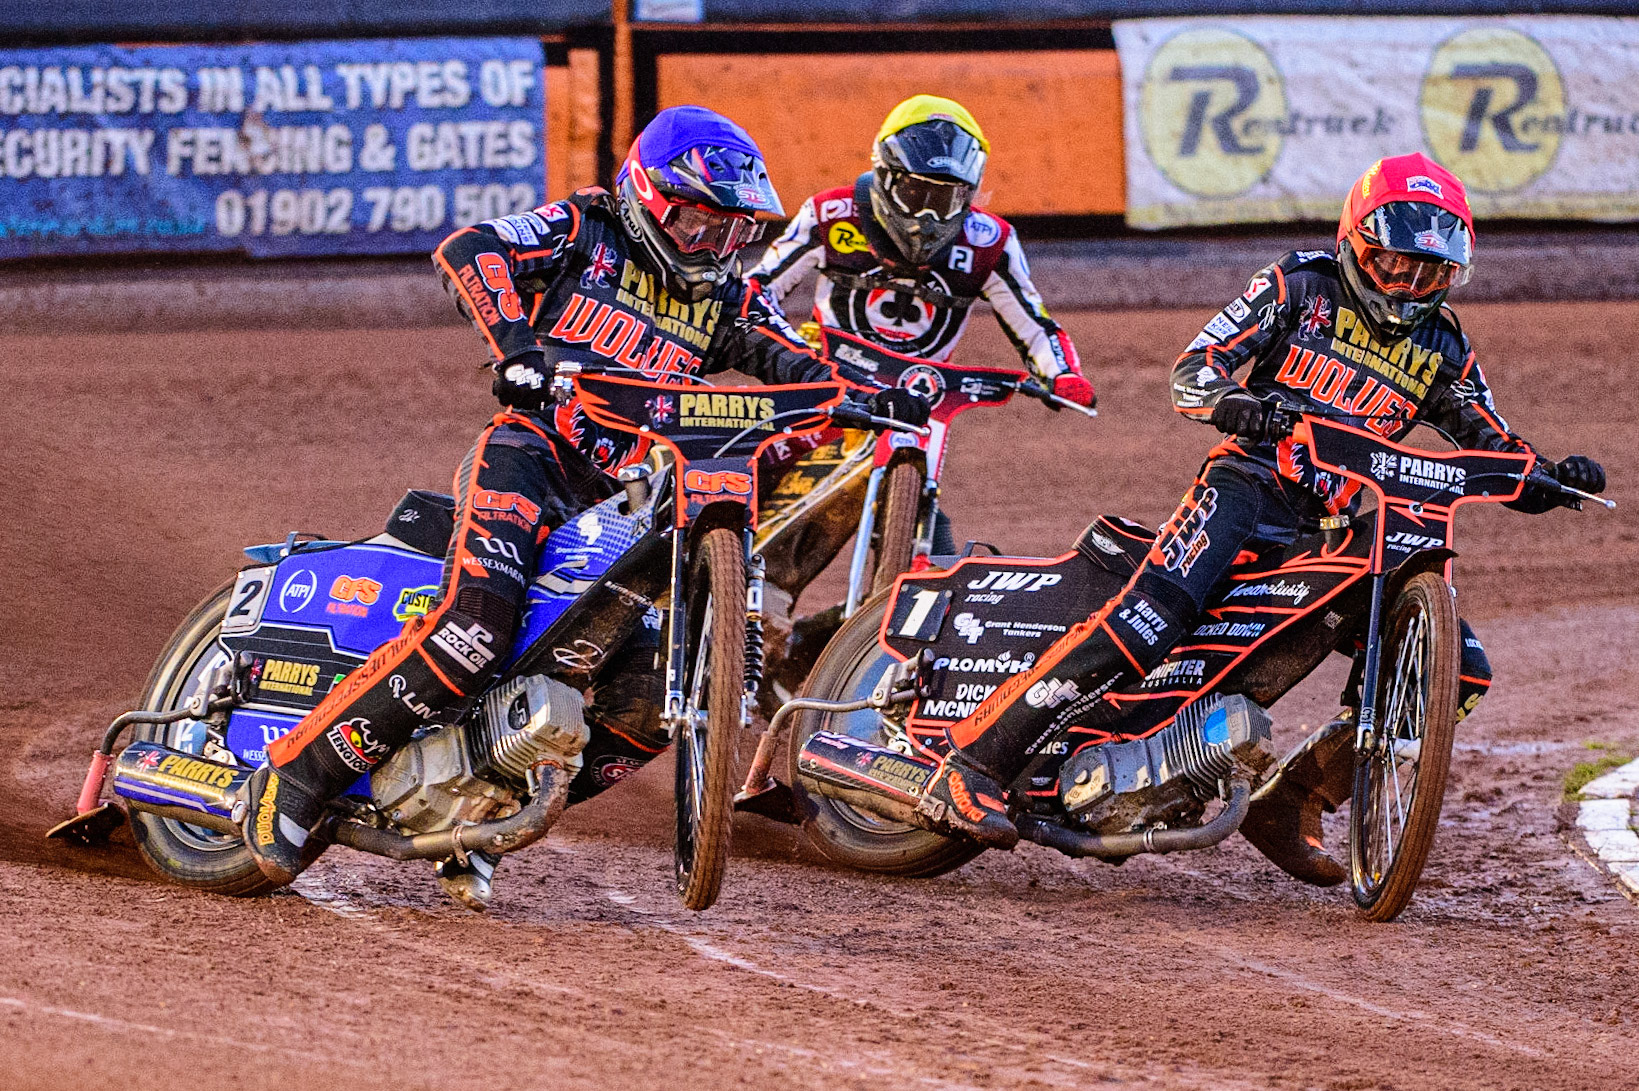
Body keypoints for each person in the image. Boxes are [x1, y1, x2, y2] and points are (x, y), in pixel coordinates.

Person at [241, 105, 926, 906]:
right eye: (698, 222)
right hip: (531, 458)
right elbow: (472, 250)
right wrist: (516, 350)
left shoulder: (727, 298)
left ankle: (488, 806)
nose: (713, 246)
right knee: (474, 628)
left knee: (644, 692)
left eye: (731, 232)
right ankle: (298, 772)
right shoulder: (586, 226)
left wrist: (869, 399)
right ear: (647, 194)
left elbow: (792, 361)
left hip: (622, 500)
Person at [859, 152, 1607, 883]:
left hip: (1329, 530)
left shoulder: (1442, 345)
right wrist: (1235, 401)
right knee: (1149, 617)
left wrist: (1544, 477)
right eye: (1392, 266)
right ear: (1354, 245)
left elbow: (1491, 440)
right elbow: (1195, 368)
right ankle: (971, 763)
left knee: (1460, 672)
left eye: (1429, 273)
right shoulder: (1297, 284)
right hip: (1243, 487)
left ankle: (1293, 799)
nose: (1408, 286)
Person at [745, 94, 1095, 695]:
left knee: (936, 556)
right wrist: (775, 348)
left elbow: (1035, 321)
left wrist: (1062, 373)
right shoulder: (832, 214)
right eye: (917, 194)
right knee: (749, 481)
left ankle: (824, 649)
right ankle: (724, 601)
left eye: (949, 198)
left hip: (918, 407)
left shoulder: (989, 242)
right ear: (884, 176)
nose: (930, 215)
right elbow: (755, 287)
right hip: (828, 391)